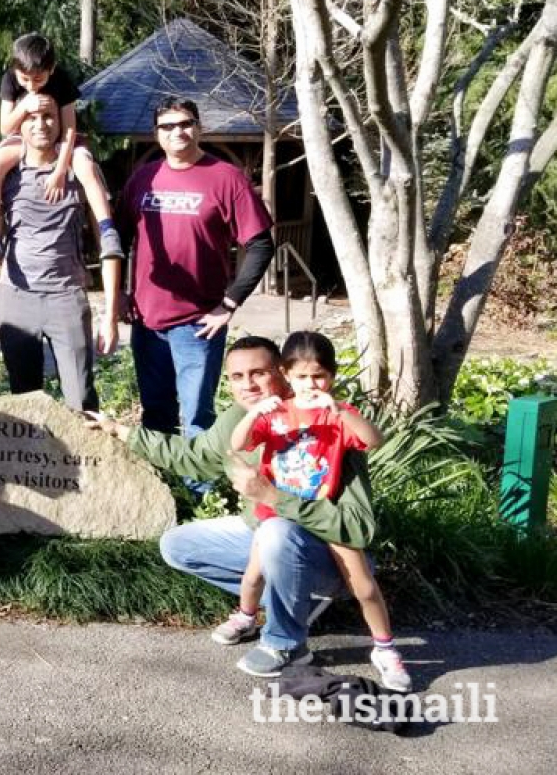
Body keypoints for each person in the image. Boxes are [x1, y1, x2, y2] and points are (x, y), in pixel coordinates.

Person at [102, 336, 375, 679]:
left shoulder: (331, 422)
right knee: (176, 546)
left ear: (283, 372)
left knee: (276, 529)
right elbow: (193, 458)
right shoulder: (240, 418)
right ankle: (293, 600)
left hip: (330, 553)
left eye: (258, 373)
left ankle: (285, 643)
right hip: (264, 536)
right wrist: (120, 431)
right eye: (236, 376)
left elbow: (357, 527)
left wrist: (272, 497)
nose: (247, 385)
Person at [222, 331, 409, 691]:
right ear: (286, 374)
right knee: (253, 575)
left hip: (325, 514)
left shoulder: (337, 415)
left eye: (319, 376)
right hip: (279, 514)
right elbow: (239, 442)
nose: (311, 384)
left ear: (331, 377)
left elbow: (373, 440)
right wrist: (255, 413)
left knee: (364, 586)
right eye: (302, 376)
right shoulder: (277, 413)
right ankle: (246, 617)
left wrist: (339, 410)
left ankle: (385, 649)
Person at [114, 96, 274, 437]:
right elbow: (118, 239)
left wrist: (229, 303)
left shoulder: (227, 178)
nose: (177, 132)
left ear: (199, 127)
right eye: (167, 126)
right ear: (156, 134)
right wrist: (119, 295)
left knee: (197, 420)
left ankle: (198, 491)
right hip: (146, 320)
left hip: (199, 324)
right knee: (155, 415)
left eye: (185, 123)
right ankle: (162, 487)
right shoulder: (143, 178)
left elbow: (260, 244)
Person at [0, 103, 122, 412]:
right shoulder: (8, 172)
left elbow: (109, 245)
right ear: (19, 125)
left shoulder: (79, 168)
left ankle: (85, 461)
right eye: (31, 118)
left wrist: (110, 316)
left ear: (61, 122)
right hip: (17, 300)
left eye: (48, 117)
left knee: (81, 399)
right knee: (25, 402)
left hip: (66, 298)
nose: (40, 125)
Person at [0, 33, 118, 269]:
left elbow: (70, 129)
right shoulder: (10, 79)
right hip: (22, 136)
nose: (31, 85)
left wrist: (60, 170)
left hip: (61, 138)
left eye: (38, 79)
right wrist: (24, 107)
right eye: (25, 80)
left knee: (86, 167)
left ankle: (107, 230)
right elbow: (5, 128)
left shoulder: (62, 79)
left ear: (51, 69)